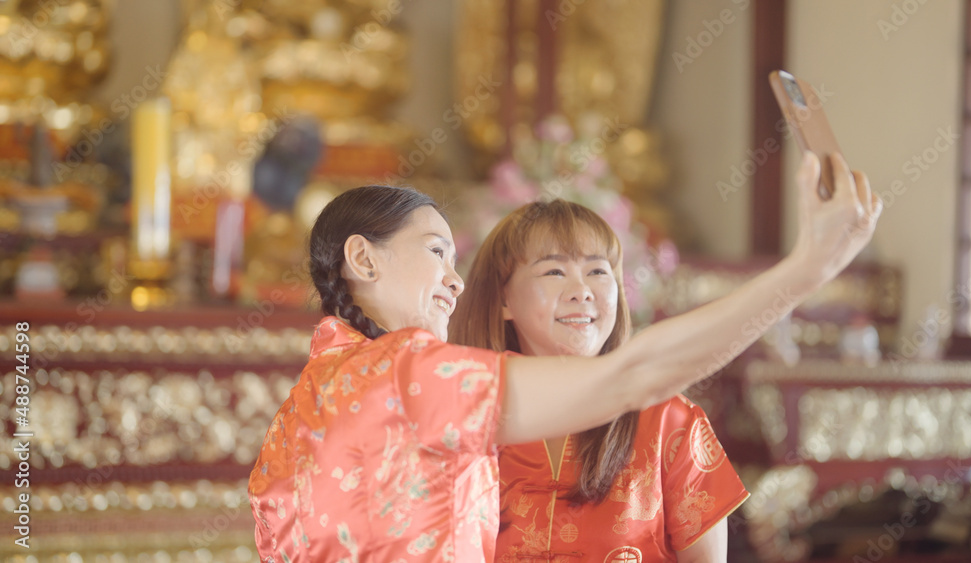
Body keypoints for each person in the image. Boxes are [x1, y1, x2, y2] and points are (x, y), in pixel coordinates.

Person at [248, 151, 880, 562]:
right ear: (363, 259)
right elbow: (634, 374)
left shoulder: (307, 402)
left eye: (599, 272)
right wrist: (806, 269)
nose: (454, 278)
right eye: (437, 251)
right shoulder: (407, 374)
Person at [450, 198, 746, 562]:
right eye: (554, 272)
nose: (582, 290)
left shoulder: (670, 420)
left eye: (598, 271)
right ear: (503, 298)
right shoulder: (462, 413)